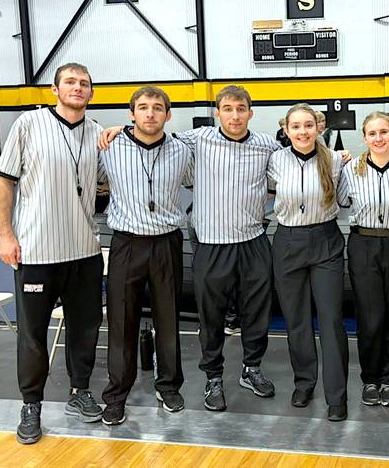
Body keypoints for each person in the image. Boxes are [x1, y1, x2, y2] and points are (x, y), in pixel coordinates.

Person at [100, 85, 280, 412]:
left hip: (253, 240)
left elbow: (297, 155)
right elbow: (151, 134)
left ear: (251, 113)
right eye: (228, 109)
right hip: (211, 243)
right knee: (211, 317)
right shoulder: (196, 140)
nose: (235, 115)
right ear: (217, 113)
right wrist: (121, 130)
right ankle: (213, 376)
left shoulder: (267, 145)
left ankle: (251, 369)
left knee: (256, 313)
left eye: (241, 109)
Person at [0, 63, 105, 444]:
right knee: (32, 334)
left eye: (84, 84)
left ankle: (80, 391)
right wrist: (6, 234)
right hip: (36, 250)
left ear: (91, 93)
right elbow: (4, 181)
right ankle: (31, 404)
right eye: (70, 82)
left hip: (84, 251)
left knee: (85, 328)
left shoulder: (97, 134)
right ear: (55, 90)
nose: (78, 88)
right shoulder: (29, 124)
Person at [96, 86, 193, 425]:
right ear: (131, 114)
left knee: (168, 318)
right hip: (126, 243)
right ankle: (116, 394)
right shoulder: (108, 147)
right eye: (143, 107)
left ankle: (168, 385)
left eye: (157, 107)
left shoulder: (184, 150)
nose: (150, 113)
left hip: (167, 243)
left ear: (168, 114)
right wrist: (113, 131)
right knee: (121, 320)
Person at [268, 103, 349, 422]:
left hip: (325, 240)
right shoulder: (274, 160)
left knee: (331, 320)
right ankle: (304, 382)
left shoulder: (334, 160)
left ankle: (337, 395)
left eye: (308, 125)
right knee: (296, 319)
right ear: (286, 131)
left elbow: (346, 196)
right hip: (287, 241)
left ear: (319, 127)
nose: (302, 131)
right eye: (296, 126)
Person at [337, 111, 389, 407]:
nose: (379, 138)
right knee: (370, 317)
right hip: (363, 243)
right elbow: (343, 201)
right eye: (372, 133)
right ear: (365, 138)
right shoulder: (350, 170)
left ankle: (387, 379)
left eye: (384, 132)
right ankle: (370, 379)